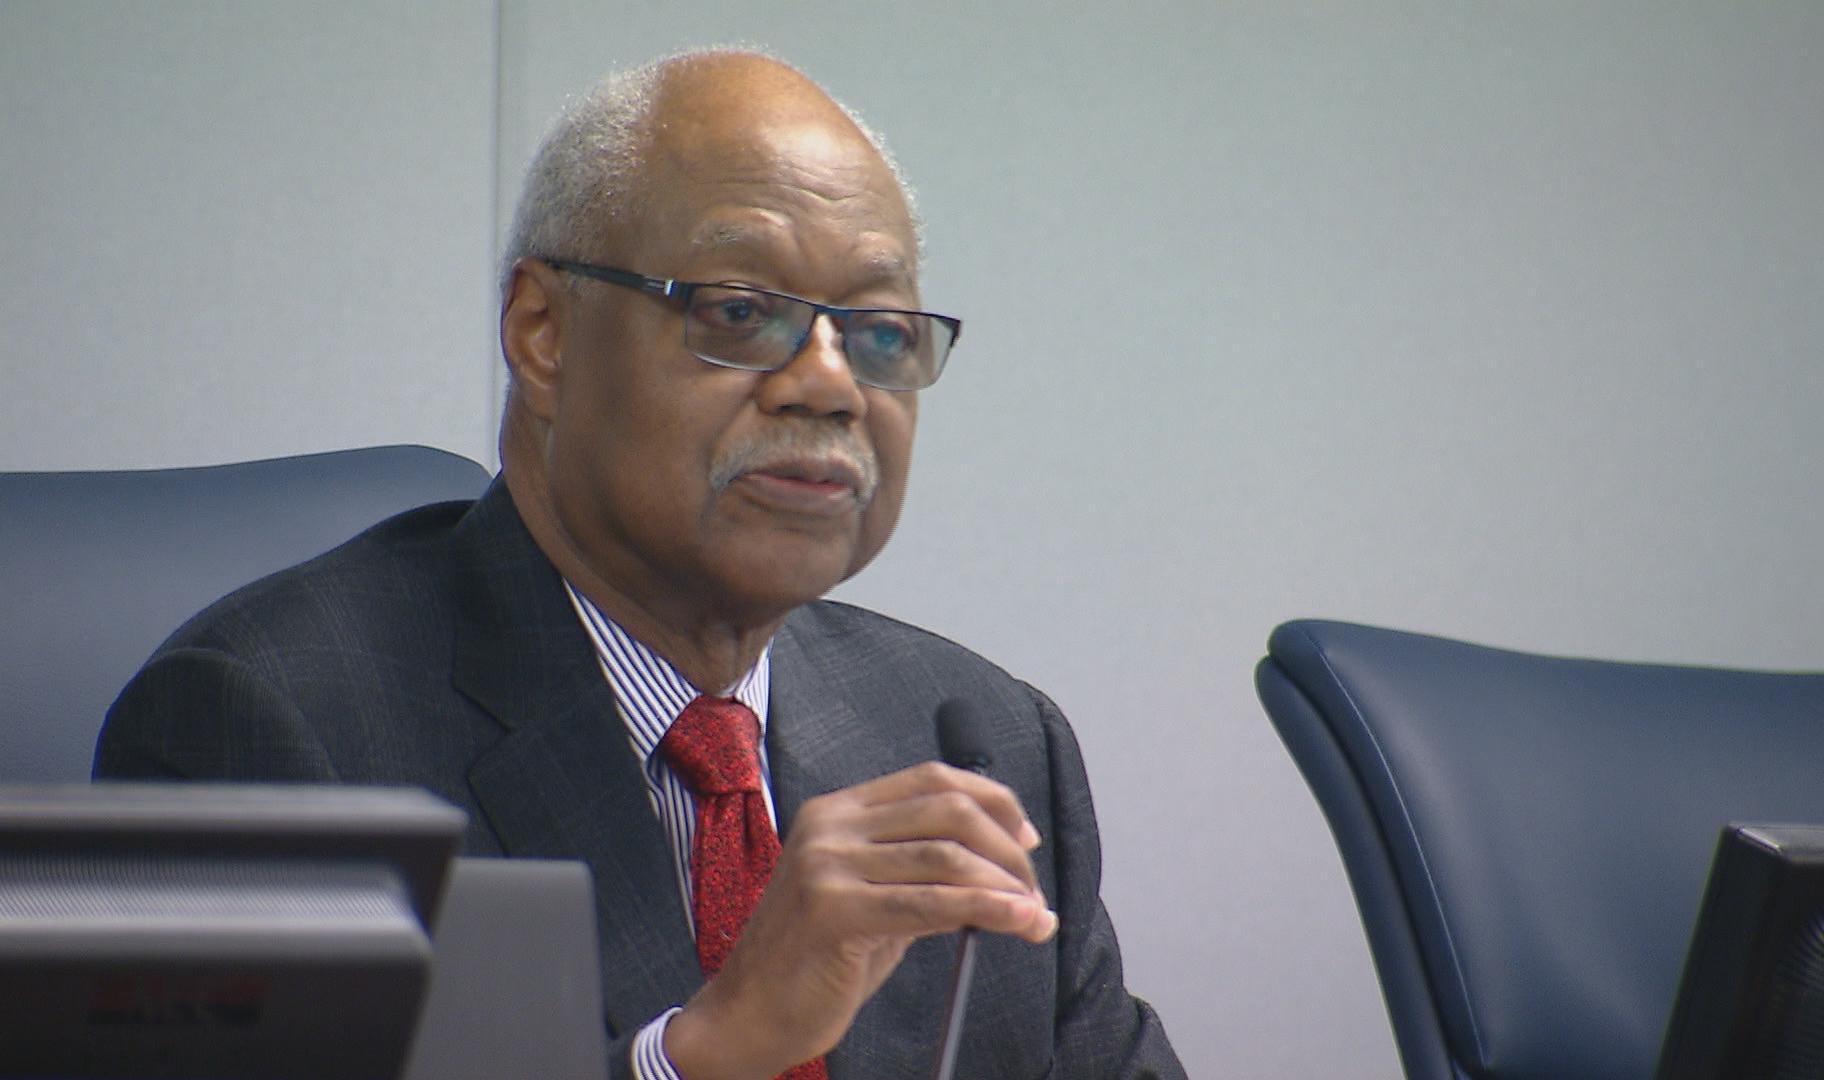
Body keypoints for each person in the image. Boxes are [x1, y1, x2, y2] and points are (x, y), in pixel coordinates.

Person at [96, 49, 1185, 1080]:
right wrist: (700, 1056)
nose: (830, 384)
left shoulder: (986, 738)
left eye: (880, 332)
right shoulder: (272, 732)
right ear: (543, 332)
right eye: (741, 312)